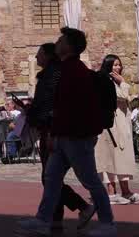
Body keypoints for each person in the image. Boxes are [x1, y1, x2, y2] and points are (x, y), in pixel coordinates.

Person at [17, 28, 116, 237]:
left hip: (76, 136)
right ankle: (43, 220)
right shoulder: (68, 69)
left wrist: (55, 133)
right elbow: (62, 106)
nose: (58, 42)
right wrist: (55, 133)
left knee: (90, 180)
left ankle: (108, 223)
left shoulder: (74, 71)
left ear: (68, 46)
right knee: (51, 177)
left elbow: (70, 107)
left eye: (61, 40)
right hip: (64, 135)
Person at [26, 41, 94, 232]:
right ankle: (55, 219)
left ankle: (83, 206)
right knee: (51, 177)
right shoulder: (52, 75)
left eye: (39, 53)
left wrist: (36, 117)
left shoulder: (53, 76)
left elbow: (51, 106)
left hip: (52, 132)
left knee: (50, 177)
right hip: (51, 130)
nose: (37, 57)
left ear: (48, 56)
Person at [94, 54, 139, 205]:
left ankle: (126, 191)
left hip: (122, 125)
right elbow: (121, 96)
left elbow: (128, 100)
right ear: (108, 66)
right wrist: (123, 83)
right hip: (111, 126)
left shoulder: (115, 82)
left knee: (123, 159)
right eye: (115, 65)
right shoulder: (107, 82)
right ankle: (111, 193)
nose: (118, 68)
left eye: (119, 65)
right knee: (110, 159)